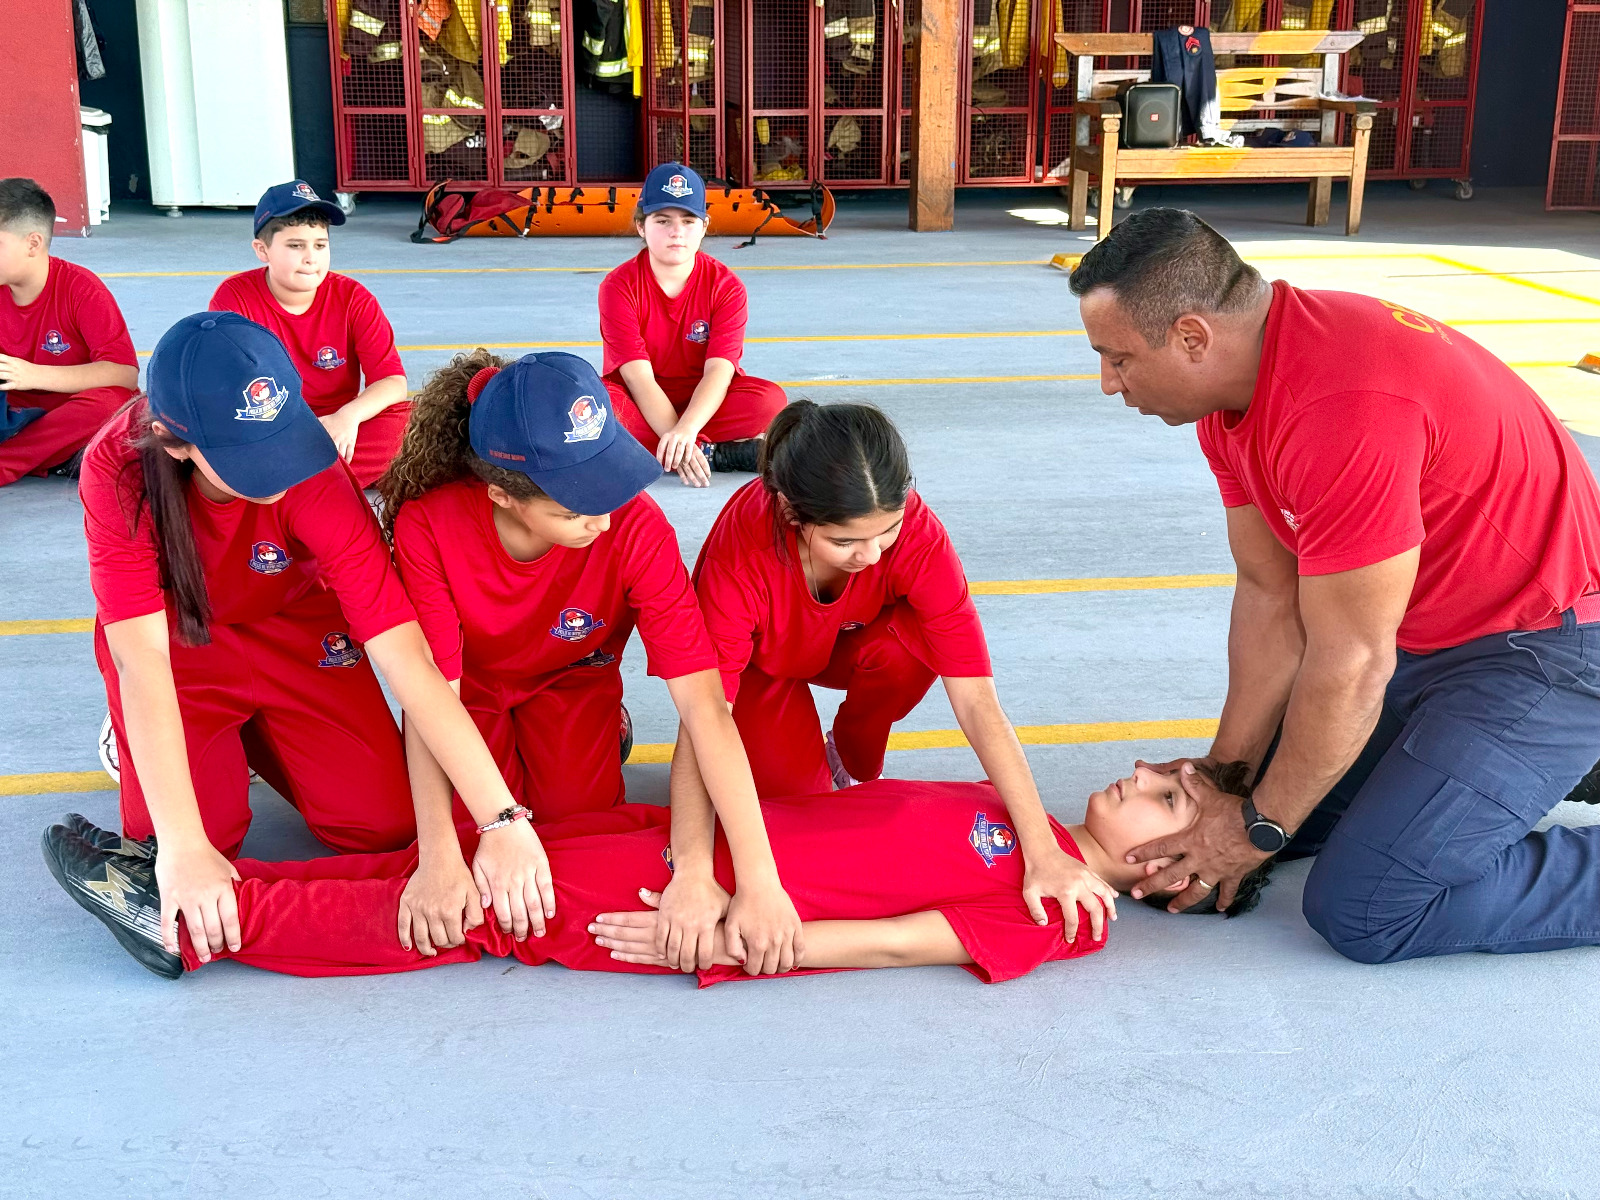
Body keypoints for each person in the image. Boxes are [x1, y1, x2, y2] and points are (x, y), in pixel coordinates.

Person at [1070, 207, 1600, 963]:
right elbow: (1268, 591)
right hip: (1428, 636)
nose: (1107, 383)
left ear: (1192, 337)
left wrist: (1253, 828)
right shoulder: (1232, 396)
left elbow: (1353, 660)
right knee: (1277, 809)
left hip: (1547, 650)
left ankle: (1553, 745)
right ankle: (1527, 767)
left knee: (1367, 904)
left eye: (1117, 358)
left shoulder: (1341, 406)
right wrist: (1225, 784)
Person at [77, 311, 561, 972]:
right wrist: (185, 844)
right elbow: (143, 659)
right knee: (192, 851)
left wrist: (501, 820)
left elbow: (406, 657)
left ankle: (248, 734)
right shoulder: (118, 471)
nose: (281, 466)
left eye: (284, 438)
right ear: (174, 441)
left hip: (298, 630)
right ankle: (152, 736)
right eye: (251, 457)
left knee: (386, 824)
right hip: (179, 642)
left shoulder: (309, 470)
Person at [38, 761, 1278, 983]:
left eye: (1163, 798)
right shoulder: (1028, 819)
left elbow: (907, 939)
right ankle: (212, 876)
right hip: (678, 851)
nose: (1133, 779)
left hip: (711, 909)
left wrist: (748, 936)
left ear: (1174, 872)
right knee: (464, 854)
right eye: (1157, 771)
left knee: (474, 913)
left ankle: (201, 923)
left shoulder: (1069, 914)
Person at [374, 347, 803, 969]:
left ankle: (608, 725)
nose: (601, 521)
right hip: (467, 697)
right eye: (574, 509)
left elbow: (706, 705)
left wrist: (758, 880)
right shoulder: (428, 524)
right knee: (467, 842)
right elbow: (429, 693)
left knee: (578, 828)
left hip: (572, 681)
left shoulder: (633, 525)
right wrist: (436, 850)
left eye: (606, 486)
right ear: (502, 495)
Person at [688, 399, 1120, 935]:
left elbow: (976, 698)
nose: (871, 555)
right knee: (782, 812)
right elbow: (705, 715)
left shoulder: (918, 531)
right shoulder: (742, 552)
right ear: (792, 516)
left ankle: (850, 759)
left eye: (886, 532)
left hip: (853, 646)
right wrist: (711, 872)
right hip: (761, 668)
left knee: (908, 655)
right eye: (844, 541)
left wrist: (1043, 849)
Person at [598, 161, 787, 487]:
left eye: (688, 221)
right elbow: (637, 377)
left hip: (704, 400)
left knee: (770, 401)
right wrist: (689, 442)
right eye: (663, 221)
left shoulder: (726, 286)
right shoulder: (619, 286)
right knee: (596, 406)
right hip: (639, 399)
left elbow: (719, 371)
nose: (677, 232)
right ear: (642, 226)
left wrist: (685, 430)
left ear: (704, 226)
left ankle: (658, 452)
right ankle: (711, 454)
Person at [208, 181, 409, 487]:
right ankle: (319, 481)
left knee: (414, 424)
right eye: (295, 245)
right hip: (269, 428)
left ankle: (281, 485)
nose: (311, 257)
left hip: (336, 427)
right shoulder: (235, 298)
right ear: (262, 250)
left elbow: (392, 381)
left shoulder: (353, 297)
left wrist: (348, 417)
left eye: (320, 244)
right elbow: (225, 389)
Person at [0, 177, 138, 485]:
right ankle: (57, 460)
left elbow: (124, 374)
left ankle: (12, 462)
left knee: (115, 403)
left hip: (69, 415)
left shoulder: (81, 289)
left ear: (33, 244)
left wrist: (33, 374)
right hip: (12, 414)